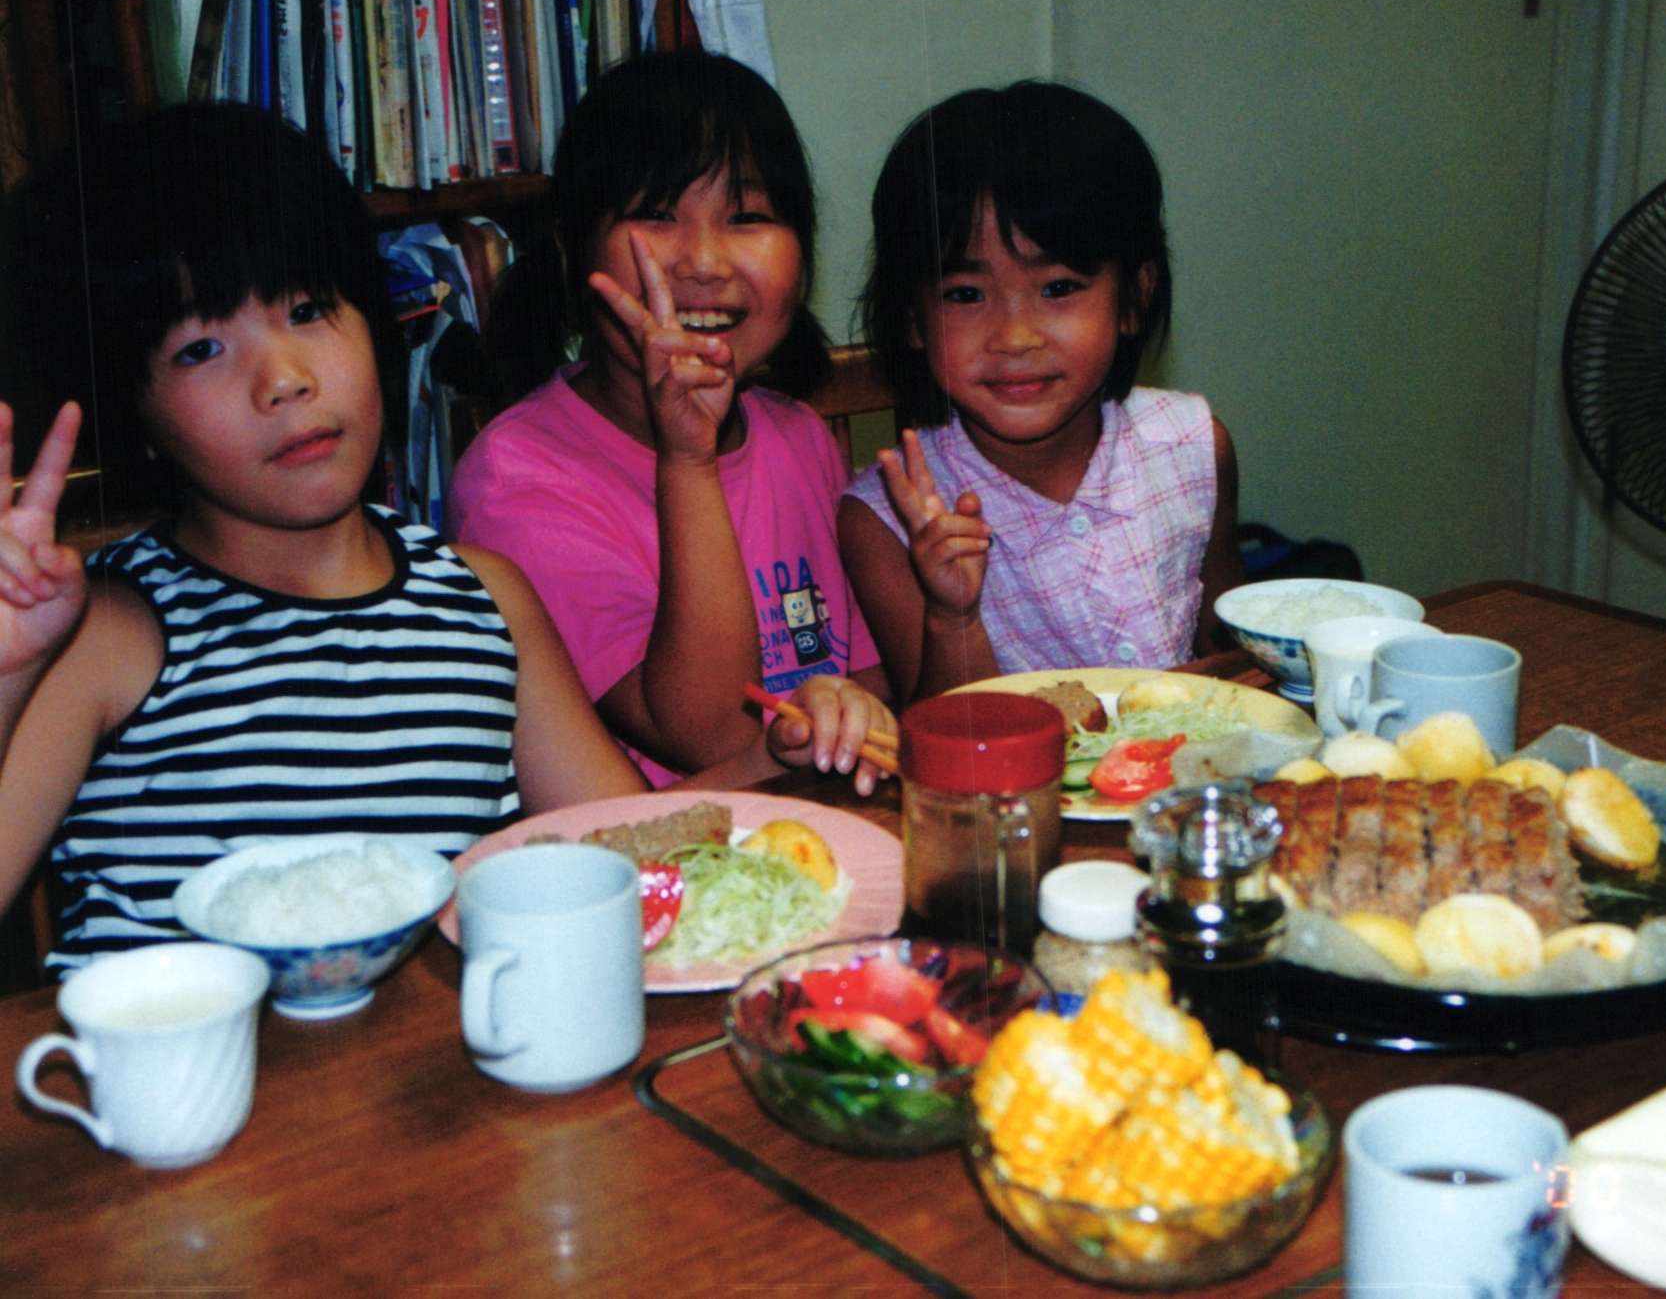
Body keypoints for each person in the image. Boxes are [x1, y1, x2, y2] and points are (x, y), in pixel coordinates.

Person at [0, 103, 872, 973]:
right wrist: (6, 674)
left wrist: (769, 757)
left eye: (308, 310)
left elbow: (616, 850)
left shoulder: (481, 598)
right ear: (134, 415)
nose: (284, 380)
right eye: (199, 351)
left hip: (443, 1057)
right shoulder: (102, 633)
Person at [448, 50, 890, 785]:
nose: (705, 262)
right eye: (656, 214)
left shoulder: (797, 433)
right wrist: (690, 458)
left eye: (748, 217)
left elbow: (868, 676)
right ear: (571, 248)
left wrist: (856, 712)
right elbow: (712, 734)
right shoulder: (515, 484)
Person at [840, 81, 1244, 702]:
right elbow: (950, 735)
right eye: (965, 294)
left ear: (1133, 297)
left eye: (1058, 288)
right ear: (913, 319)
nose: (1015, 337)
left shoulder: (1193, 449)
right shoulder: (886, 519)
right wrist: (953, 617)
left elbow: (1234, 659)